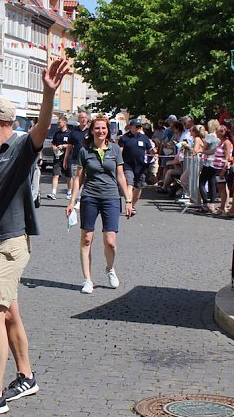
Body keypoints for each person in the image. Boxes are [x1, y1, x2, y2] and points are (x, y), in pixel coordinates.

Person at [0, 57, 70, 417]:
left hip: (11, 244)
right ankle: (26, 377)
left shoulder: (21, 149)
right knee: (8, 315)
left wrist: (48, 93)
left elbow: (42, 126)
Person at [65, 114, 132, 294]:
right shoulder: (84, 151)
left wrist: (128, 199)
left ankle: (110, 268)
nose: (101, 131)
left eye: (103, 128)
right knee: (86, 239)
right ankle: (87, 280)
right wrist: (72, 201)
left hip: (111, 197)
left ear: (108, 130)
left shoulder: (115, 149)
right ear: (92, 130)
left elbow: (120, 176)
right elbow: (78, 178)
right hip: (90, 197)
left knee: (110, 242)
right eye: (97, 128)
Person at [118, 118, 154, 215]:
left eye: (139, 126)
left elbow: (150, 150)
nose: (138, 128)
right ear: (131, 127)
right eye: (136, 126)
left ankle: (132, 206)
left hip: (140, 166)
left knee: (138, 187)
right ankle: (128, 204)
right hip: (128, 165)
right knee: (130, 184)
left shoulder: (144, 138)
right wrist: (119, 163)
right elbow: (120, 151)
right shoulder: (124, 138)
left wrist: (154, 152)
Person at [46, 114, 74, 200]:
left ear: (64, 122)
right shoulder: (57, 133)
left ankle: (69, 192)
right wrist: (54, 147)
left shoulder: (70, 133)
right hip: (57, 157)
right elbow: (53, 143)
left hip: (67, 158)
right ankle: (53, 193)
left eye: (59, 122)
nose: (58, 124)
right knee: (56, 174)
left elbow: (72, 145)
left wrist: (63, 146)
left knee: (69, 176)